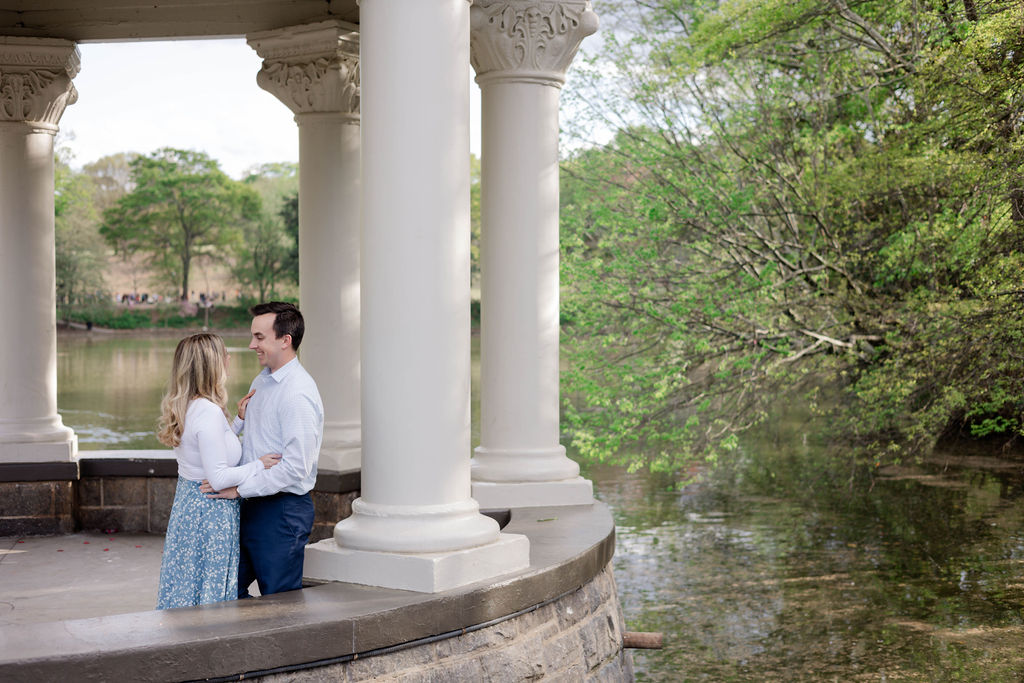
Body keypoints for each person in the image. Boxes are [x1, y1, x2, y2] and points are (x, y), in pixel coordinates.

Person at [202, 302, 324, 598]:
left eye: (259, 337)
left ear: (285, 340)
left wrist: (241, 488)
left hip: (282, 511)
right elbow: (254, 445)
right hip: (253, 504)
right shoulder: (262, 380)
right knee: (224, 590)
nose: (251, 344)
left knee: (279, 601)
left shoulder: (298, 394)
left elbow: (296, 467)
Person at [155, 333, 280, 609]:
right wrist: (259, 464)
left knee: (188, 584)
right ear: (211, 364)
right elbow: (219, 478)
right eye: (224, 354)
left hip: (189, 507)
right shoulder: (208, 412)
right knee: (208, 590)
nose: (229, 358)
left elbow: (208, 448)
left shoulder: (188, 405)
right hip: (210, 512)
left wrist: (237, 421)